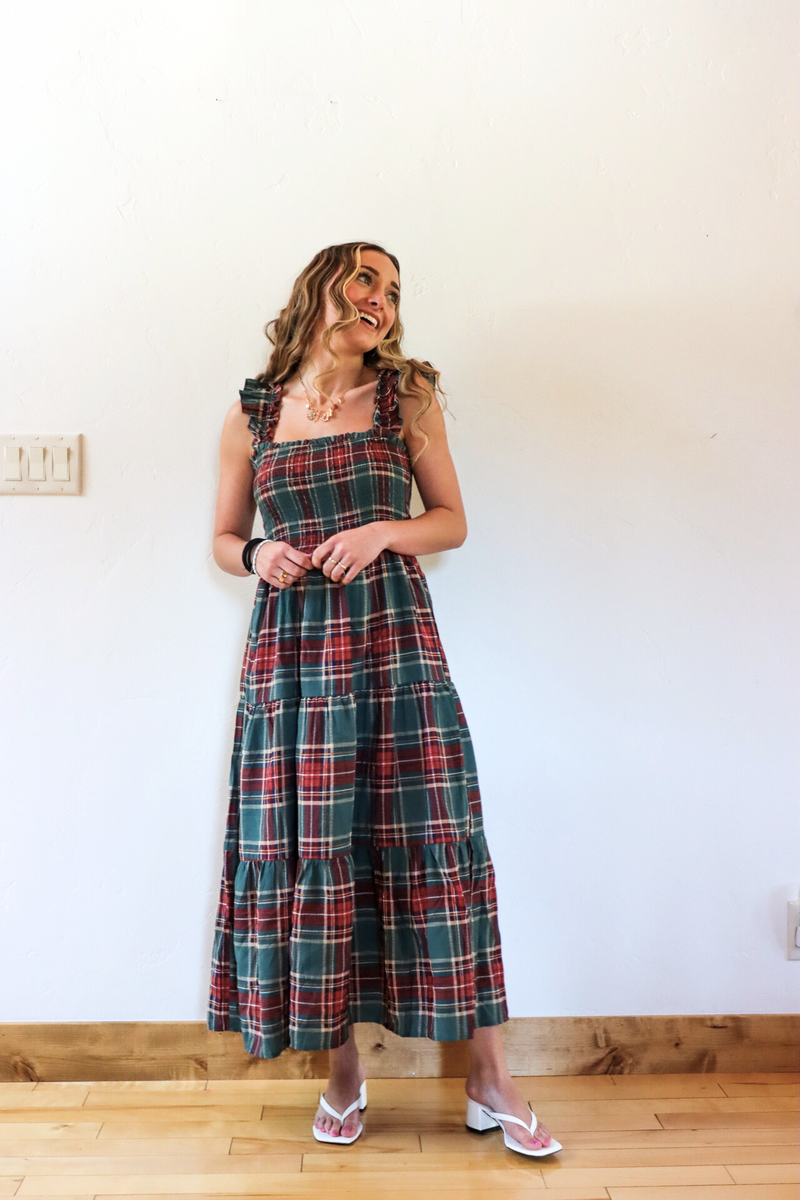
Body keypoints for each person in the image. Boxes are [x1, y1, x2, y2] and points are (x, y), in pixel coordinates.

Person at [207, 241, 560, 1158]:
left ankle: (490, 1077)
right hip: (293, 667)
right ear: (321, 287)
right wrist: (258, 556)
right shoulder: (252, 415)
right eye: (365, 279)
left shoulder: (408, 399)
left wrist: (381, 532)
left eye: (394, 291)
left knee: (435, 836)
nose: (380, 300)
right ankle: (342, 1073)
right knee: (316, 850)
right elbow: (222, 535)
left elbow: (452, 521)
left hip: (395, 649)